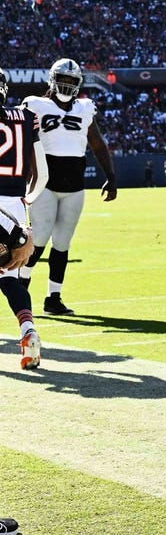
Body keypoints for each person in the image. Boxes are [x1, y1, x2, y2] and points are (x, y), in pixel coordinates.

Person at [19, 59, 117, 316]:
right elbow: (20, 140)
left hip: (75, 185)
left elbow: (96, 143)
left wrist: (111, 175)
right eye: (63, 80)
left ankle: (54, 298)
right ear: (52, 79)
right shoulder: (34, 104)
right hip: (45, 181)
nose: (67, 85)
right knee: (39, 238)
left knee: (62, 243)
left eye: (72, 81)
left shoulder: (85, 108)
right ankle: (22, 286)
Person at [0, 67, 47, 370]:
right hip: (16, 206)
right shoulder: (26, 116)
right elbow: (42, 173)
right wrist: (26, 202)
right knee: (9, 277)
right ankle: (28, 331)